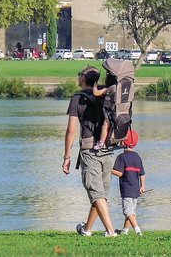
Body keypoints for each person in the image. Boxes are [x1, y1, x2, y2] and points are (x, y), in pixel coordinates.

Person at [63, 66, 118, 237]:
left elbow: (71, 130)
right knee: (100, 194)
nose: (78, 77)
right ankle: (87, 229)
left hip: (89, 150)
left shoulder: (77, 99)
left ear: (83, 78)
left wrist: (67, 157)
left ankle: (110, 231)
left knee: (96, 194)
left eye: (79, 75)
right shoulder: (105, 95)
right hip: (108, 149)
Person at [110, 129, 146, 235]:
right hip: (135, 189)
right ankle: (125, 231)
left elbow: (120, 173)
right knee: (130, 211)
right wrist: (142, 186)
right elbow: (142, 173)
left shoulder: (121, 157)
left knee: (128, 211)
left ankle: (137, 230)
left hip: (127, 189)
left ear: (122, 142)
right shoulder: (137, 157)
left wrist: (108, 170)